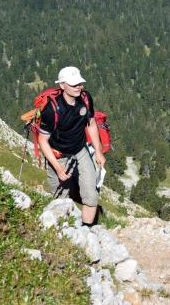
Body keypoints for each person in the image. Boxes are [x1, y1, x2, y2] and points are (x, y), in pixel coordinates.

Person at [38, 66, 106, 227]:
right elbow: (42, 141)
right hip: (58, 154)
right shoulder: (51, 109)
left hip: (80, 150)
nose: (79, 87)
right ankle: (64, 231)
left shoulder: (85, 98)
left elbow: (91, 124)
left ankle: (87, 231)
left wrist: (98, 151)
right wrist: (57, 167)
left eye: (80, 83)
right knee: (60, 198)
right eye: (74, 84)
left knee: (91, 193)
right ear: (62, 85)